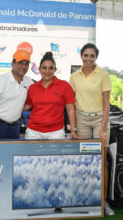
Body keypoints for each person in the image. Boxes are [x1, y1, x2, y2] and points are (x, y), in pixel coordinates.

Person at [69, 43, 114, 216]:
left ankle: (103, 202)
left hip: (100, 119)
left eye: (92, 56)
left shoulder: (103, 74)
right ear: (81, 56)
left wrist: (102, 129)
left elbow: (106, 105)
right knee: (83, 160)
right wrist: (73, 127)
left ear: (96, 57)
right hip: (81, 119)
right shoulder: (74, 76)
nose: (88, 59)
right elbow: (71, 103)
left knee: (102, 161)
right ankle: (85, 199)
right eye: (86, 55)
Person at [24, 52, 79, 140]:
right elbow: (26, 106)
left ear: (55, 70)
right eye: (44, 68)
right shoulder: (32, 88)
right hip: (33, 132)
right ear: (39, 69)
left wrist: (73, 130)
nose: (47, 71)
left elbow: (70, 109)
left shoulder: (64, 85)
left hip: (56, 132)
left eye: (51, 68)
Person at [0, 49, 34, 140]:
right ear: (12, 64)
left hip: (15, 126)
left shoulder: (29, 82)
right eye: (20, 63)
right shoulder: (1, 80)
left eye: (26, 64)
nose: (24, 66)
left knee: (13, 154)